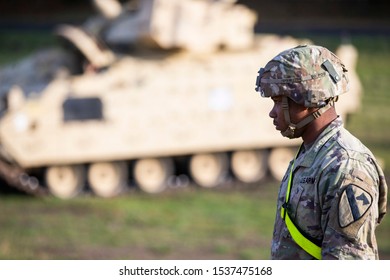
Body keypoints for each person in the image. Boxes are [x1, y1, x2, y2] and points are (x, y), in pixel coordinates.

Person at [255, 44, 388, 260]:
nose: (273, 113)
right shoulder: (312, 154)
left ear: (308, 99)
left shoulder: (346, 166)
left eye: (279, 102)